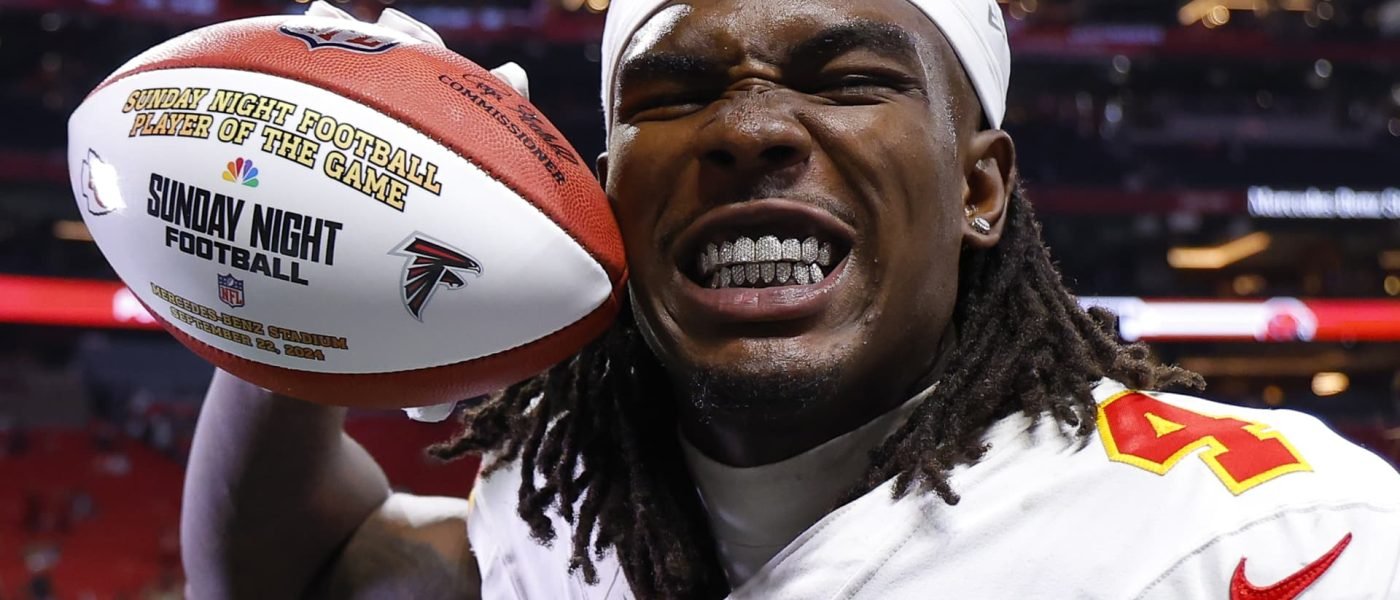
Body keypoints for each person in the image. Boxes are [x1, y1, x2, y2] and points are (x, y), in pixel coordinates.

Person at [181, 0, 1400, 598]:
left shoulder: (1264, 533)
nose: (751, 128)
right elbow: (305, 568)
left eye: (848, 79)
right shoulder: (563, 515)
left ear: (978, 188)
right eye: (672, 96)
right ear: (600, 194)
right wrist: (306, 284)